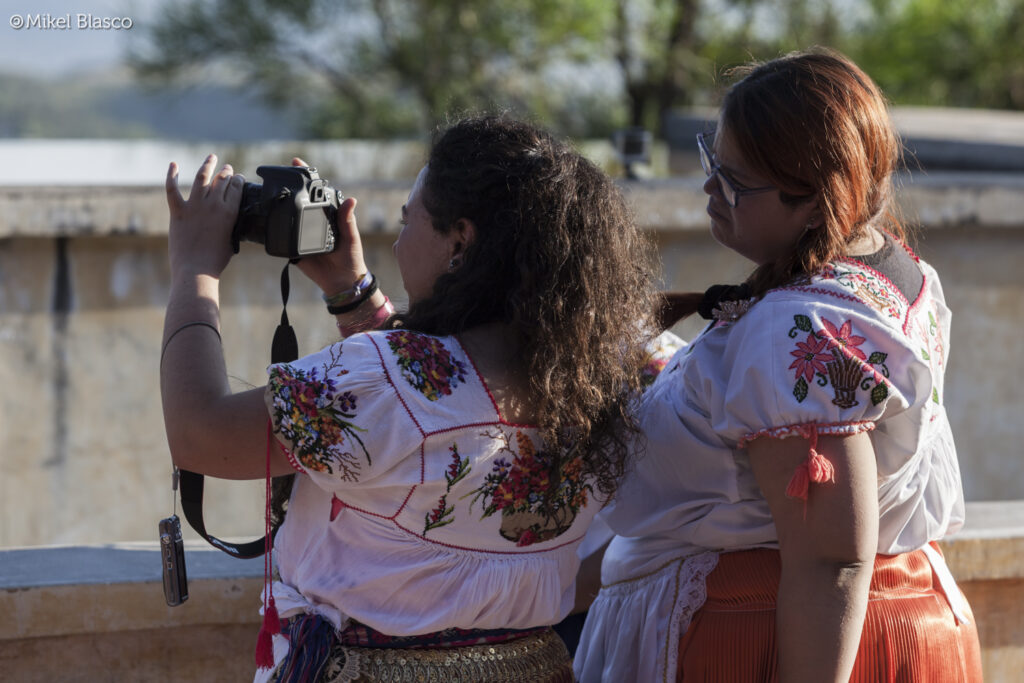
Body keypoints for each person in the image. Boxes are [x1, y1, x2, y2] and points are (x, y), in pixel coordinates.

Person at [160, 114, 658, 682]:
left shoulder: (381, 379)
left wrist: (193, 269)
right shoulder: (597, 377)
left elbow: (200, 434)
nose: (397, 243)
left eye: (407, 220)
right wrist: (353, 293)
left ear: (460, 241)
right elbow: (438, 399)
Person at [574, 49, 984, 682]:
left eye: (734, 181)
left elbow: (830, 562)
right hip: (880, 617)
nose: (709, 188)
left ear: (816, 200)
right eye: (713, 160)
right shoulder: (897, 271)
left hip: (764, 640)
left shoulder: (797, 331)